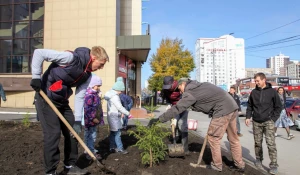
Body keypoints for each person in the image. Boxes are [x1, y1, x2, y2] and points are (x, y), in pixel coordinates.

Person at [30, 46, 109, 175]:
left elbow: (79, 96)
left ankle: (70, 166)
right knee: (53, 134)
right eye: (101, 64)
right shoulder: (70, 58)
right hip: (45, 99)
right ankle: (50, 171)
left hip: (62, 101)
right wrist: (36, 77)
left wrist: (78, 120)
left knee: (74, 131)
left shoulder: (87, 75)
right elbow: (39, 53)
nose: (101, 67)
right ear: (93, 58)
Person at [148, 78, 245, 172]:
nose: (181, 92)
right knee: (233, 139)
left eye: (180, 89)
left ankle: (217, 165)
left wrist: (158, 120)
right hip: (231, 106)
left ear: (183, 84)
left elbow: (177, 108)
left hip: (222, 110)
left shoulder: (190, 92)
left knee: (213, 137)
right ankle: (240, 165)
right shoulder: (198, 85)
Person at [245, 72, 281, 175]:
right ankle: (258, 159)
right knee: (257, 143)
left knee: (271, 144)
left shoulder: (272, 92)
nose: (256, 83)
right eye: (255, 81)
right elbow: (249, 106)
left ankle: (273, 165)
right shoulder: (253, 92)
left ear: (264, 80)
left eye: (258, 81)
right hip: (256, 122)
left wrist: (273, 119)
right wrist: (248, 117)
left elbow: (278, 106)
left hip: (268, 122)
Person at [160, 76, 189, 155]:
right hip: (173, 108)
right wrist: (169, 104)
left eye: (169, 87)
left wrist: (176, 116)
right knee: (173, 125)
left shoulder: (180, 87)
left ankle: (185, 149)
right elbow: (167, 98)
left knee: (182, 125)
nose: (168, 89)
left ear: (173, 83)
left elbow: (184, 100)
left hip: (183, 107)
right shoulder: (166, 90)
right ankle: (175, 142)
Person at [104, 77, 133, 154]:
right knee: (118, 133)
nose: (121, 92)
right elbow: (120, 107)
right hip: (114, 117)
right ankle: (120, 148)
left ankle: (112, 147)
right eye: (120, 90)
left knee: (113, 133)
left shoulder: (110, 94)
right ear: (118, 89)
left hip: (112, 116)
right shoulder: (115, 97)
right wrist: (128, 113)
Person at [83, 75, 104, 160]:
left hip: (95, 119)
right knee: (90, 135)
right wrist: (93, 118)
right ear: (92, 85)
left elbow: (98, 107)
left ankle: (90, 149)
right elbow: (87, 108)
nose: (98, 88)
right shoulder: (89, 95)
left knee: (92, 135)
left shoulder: (95, 94)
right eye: (98, 86)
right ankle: (89, 151)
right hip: (90, 120)